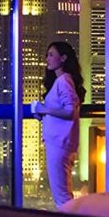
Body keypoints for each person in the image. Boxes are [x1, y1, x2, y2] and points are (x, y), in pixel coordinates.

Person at [30, 41, 85, 208]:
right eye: (47, 55)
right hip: (60, 143)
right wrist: (44, 114)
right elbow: (64, 111)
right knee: (62, 195)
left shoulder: (63, 81)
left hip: (59, 144)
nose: (47, 58)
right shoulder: (62, 81)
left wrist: (44, 109)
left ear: (63, 58)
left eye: (51, 54)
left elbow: (70, 111)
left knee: (62, 197)